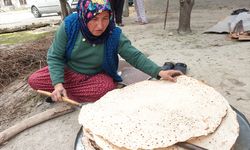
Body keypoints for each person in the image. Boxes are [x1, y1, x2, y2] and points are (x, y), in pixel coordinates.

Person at [28, 0, 182, 103]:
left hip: (93, 76)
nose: (100, 26)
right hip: (68, 71)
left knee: (106, 88)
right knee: (34, 80)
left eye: (105, 18)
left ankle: (64, 94)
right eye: (94, 19)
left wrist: (159, 72)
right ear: (84, 16)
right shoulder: (70, 26)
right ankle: (62, 91)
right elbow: (55, 56)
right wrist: (57, 83)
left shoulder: (112, 33)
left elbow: (133, 55)